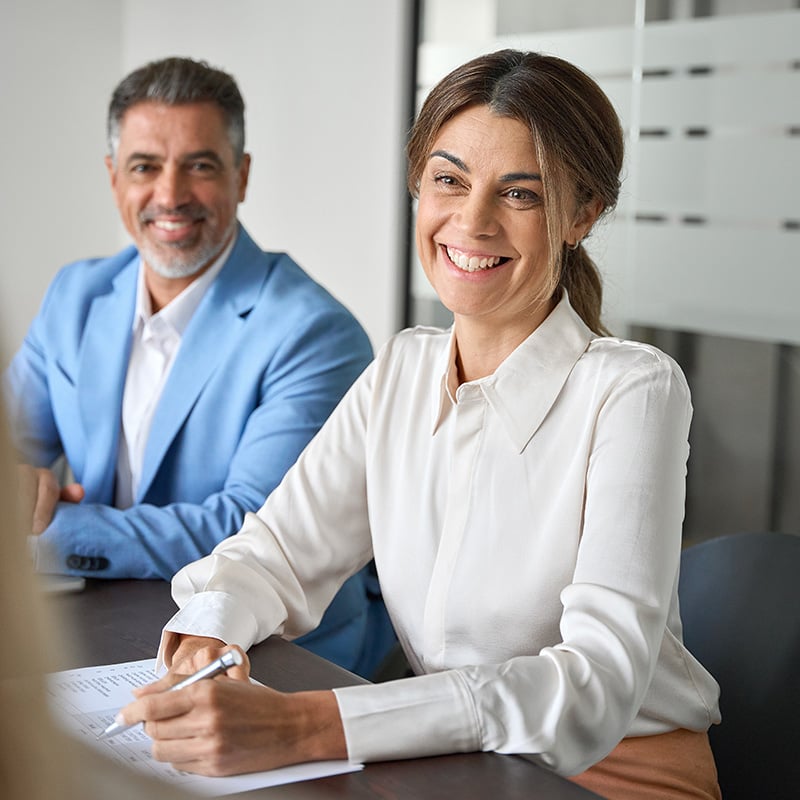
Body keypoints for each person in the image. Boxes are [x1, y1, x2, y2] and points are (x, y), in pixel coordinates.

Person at [117, 51, 722, 799]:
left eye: (521, 193)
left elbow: (595, 686)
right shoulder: (404, 368)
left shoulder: (633, 390)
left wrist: (309, 726)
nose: (472, 221)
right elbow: (272, 552)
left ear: (582, 214)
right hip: (454, 764)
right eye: (449, 179)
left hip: (609, 774)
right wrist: (210, 633)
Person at [4, 57, 394, 677]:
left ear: (242, 176)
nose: (170, 194)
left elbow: (248, 531)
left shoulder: (315, 332)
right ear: (113, 179)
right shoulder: (75, 297)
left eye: (200, 165)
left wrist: (36, 534)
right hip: (104, 629)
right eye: (145, 167)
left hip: (271, 657)